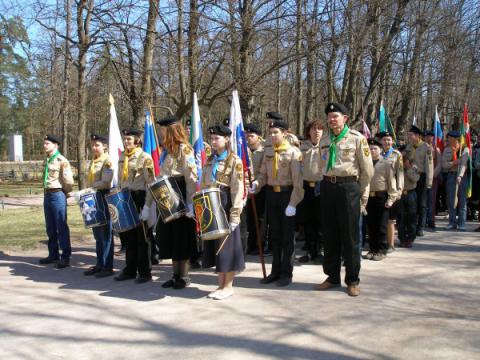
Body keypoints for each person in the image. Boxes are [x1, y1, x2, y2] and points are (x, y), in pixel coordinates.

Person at [314, 102, 373, 297]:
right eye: (329, 116)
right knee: (330, 235)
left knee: (350, 236)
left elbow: (367, 171)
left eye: (335, 116)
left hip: (349, 188)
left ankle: (353, 280)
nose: (331, 119)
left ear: (345, 118)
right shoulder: (324, 140)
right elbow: (322, 164)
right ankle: (332, 276)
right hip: (328, 186)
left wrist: (362, 196)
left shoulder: (357, 139)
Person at [250, 117, 304, 287]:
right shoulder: (269, 152)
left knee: (287, 237)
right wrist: (256, 184)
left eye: (276, 133)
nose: (272, 136)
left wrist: (293, 204)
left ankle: (286, 273)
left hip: (287, 195)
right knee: (275, 236)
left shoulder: (294, 153)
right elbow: (263, 175)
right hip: (271, 195)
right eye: (271, 133)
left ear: (285, 133)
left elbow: (298, 183)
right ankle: (275, 271)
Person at [201, 124, 245, 300]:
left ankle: (228, 286)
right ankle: (220, 285)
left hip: (226, 202)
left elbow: (237, 189)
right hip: (211, 203)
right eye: (211, 138)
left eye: (216, 138)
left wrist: (235, 214)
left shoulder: (235, 161)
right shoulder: (210, 160)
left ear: (226, 139)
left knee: (227, 246)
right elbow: (204, 182)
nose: (213, 141)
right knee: (216, 246)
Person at [155, 115, 197, 289]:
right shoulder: (166, 150)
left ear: (171, 131)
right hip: (168, 195)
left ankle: (184, 276)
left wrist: (190, 203)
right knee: (170, 237)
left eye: (163, 130)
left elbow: (190, 178)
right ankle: (174, 275)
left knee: (182, 238)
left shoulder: (184, 149)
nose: (160, 134)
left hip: (180, 193)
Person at [114, 128, 155, 283]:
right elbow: (119, 179)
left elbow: (150, 183)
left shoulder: (145, 158)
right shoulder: (122, 156)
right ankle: (130, 269)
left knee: (143, 237)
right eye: (125, 139)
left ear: (137, 141)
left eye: (129, 139)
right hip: (125, 197)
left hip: (139, 197)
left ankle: (145, 272)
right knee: (128, 237)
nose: (126, 142)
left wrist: (147, 206)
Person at [39, 134, 74, 268]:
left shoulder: (61, 160)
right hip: (47, 194)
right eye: (44, 143)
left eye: (47, 143)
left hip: (57, 194)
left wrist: (64, 192)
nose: (44, 145)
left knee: (61, 226)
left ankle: (65, 256)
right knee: (50, 227)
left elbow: (68, 181)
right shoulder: (47, 160)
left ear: (55, 145)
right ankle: (53, 254)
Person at [82, 134, 114, 277]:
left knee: (105, 233)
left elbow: (106, 181)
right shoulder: (94, 161)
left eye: (97, 145)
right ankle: (99, 264)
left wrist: (92, 187)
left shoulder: (107, 161)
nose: (94, 147)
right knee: (97, 233)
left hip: (102, 195)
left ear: (105, 146)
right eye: (93, 145)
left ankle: (107, 266)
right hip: (92, 196)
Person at [363, 138, 398, 261]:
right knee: (371, 225)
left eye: (375, 148)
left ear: (380, 150)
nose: (372, 150)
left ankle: (382, 250)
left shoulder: (386, 163)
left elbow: (391, 181)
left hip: (381, 197)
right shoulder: (365, 162)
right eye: (370, 148)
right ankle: (372, 249)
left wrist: (391, 198)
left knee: (381, 225)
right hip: (368, 198)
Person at [298, 119, 324, 263]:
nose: (316, 131)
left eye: (319, 129)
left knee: (321, 221)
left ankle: (319, 250)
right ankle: (309, 250)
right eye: (313, 129)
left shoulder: (327, 145)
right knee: (308, 220)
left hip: (322, 186)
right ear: (309, 132)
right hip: (306, 186)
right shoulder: (302, 147)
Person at [406, 125, 433, 237]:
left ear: (417, 136)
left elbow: (429, 165)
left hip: (421, 177)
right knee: (411, 202)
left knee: (421, 203)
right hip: (410, 176)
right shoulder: (408, 147)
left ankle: (420, 227)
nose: (409, 137)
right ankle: (411, 225)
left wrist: (429, 181)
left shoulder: (426, 147)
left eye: (411, 135)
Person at [379, 131, 403, 252]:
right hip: (380, 189)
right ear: (381, 141)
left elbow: (400, 174)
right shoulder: (377, 154)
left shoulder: (396, 154)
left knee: (390, 219)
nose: (386, 142)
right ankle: (380, 242)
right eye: (384, 140)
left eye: (389, 140)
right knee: (381, 218)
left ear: (392, 141)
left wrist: (399, 190)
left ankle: (391, 244)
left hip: (392, 190)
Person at [244, 122, 266, 255]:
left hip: (260, 187)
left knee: (260, 218)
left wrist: (257, 182)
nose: (248, 138)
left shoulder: (265, 149)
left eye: (251, 135)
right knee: (248, 218)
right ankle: (249, 244)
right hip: (246, 188)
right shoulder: (243, 149)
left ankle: (260, 244)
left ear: (258, 136)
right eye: (247, 135)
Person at [442, 131, 470, 231]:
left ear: (455, 139)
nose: (448, 140)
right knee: (451, 200)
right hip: (451, 175)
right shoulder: (447, 150)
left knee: (462, 201)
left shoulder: (464, 149)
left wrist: (460, 176)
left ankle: (461, 223)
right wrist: (454, 162)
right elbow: (444, 165)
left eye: (449, 138)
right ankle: (452, 222)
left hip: (462, 177)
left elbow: (463, 164)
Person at [397, 145, 420, 248]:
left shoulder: (414, 167)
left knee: (411, 217)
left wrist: (408, 168)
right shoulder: (397, 167)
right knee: (401, 218)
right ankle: (402, 238)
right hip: (400, 194)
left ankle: (410, 238)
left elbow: (415, 179)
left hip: (411, 194)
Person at [423, 130, 442, 230]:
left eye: (430, 136)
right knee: (423, 200)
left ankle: (431, 220)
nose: (428, 138)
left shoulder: (436, 149)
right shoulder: (421, 148)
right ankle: (423, 220)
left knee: (432, 200)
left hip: (432, 178)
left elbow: (439, 163)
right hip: (422, 177)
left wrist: (433, 174)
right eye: (426, 136)